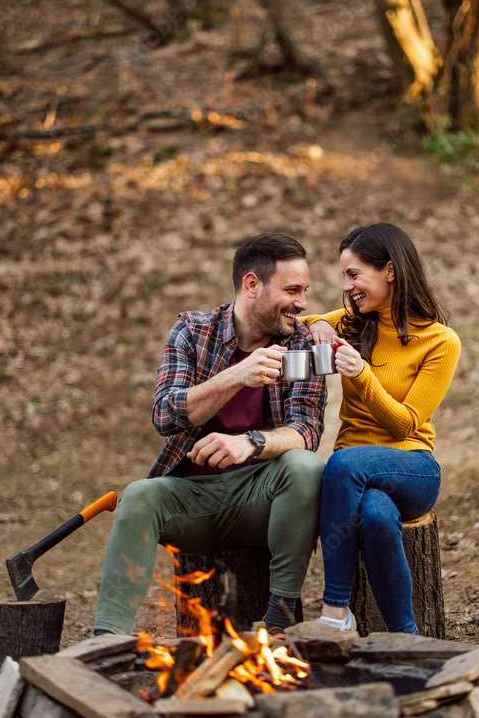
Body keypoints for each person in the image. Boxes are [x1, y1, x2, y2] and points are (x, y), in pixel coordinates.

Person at [94, 233, 327, 636]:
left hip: (264, 498)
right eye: (292, 290)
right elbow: (166, 414)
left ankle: (280, 615)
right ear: (252, 285)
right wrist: (237, 375)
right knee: (139, 495)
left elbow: (306, 430)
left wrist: (251, 442)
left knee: (305, 466)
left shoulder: (302, 343)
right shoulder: (193, 331)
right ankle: (105, 639)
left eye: (305, 292)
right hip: (195, 500)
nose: (302, 304)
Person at [304, 223, 461, 633]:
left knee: (341, 464)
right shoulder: (356, 323)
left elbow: (405, 423)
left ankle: (335, 612)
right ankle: (405, 637)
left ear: (389, 271)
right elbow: (299, 321)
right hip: (360, 474)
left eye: (354, 274)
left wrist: (362, 375)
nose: (347, 286)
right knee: (374, 514)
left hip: (412, 467)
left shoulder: (440, 341)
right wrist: (317, 324)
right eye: (344, 276)